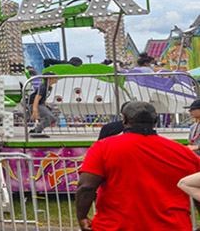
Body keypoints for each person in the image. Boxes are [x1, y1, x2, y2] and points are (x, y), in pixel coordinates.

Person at [78, 100, 200, 231]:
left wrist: (82, 217)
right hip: (172, 225)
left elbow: (86, 186)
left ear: (123, 120)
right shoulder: (183, 152)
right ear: (156, 120)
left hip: (116, 225)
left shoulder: (103, 148)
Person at [28, 70, 58, 136]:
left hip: (39, 104)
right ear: (50, 79)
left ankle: (36, 130)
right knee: (50, 117)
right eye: (55, 77)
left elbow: (42, 97)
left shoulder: (49, 87)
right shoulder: (43, 87)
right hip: (33, 104)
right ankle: (37, 131)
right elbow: (36, 98)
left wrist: (45, 103)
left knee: (54, 119)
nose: (57, 78)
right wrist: (34, 110)